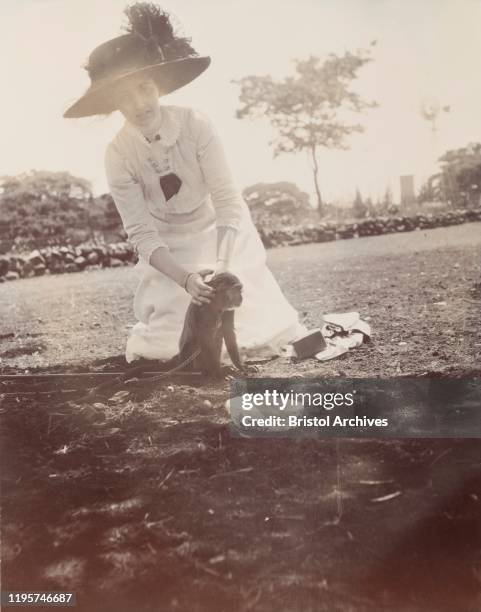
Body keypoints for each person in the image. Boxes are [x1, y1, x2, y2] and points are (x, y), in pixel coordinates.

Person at [64, 2, 305, 364]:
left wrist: (222, 267)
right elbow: (142, 233)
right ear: (113, 102)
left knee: (255, 328)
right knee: (166, 344)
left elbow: (226, 199)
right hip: (171, 252)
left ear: (158, 85)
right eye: (124, 96)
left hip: (223, 236)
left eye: (144, 88)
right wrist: (186, 279)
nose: (139, 103)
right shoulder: (118, 154)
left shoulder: (196, 125)